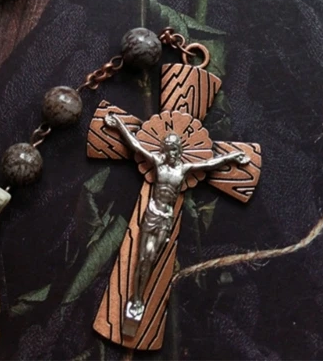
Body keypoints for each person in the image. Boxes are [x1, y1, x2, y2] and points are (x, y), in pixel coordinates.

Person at [104, 112, 249, 330]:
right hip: (152, 213)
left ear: (179, 150)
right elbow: (135, 145)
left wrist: (231, 157)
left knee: (152, 260)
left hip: (166, 219)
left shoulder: (184, 169)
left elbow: (210, 163)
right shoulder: (158, 164)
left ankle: (139, 299)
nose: (170, 152)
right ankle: (136, 299)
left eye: (174, 149)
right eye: (167, 148)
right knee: (144, 257)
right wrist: (119, 125)